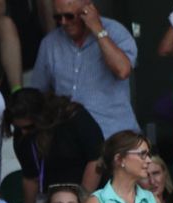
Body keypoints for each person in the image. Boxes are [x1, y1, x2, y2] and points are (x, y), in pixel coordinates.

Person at [31, 0, 138, 140]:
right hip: (71, 140)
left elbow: (123, 70)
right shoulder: (50, 43)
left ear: (88, 10)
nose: (63, 22)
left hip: (114, 136)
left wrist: (98, 30)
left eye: (69, 16)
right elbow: (37, 93)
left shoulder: (115, 31)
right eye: (58, 17)